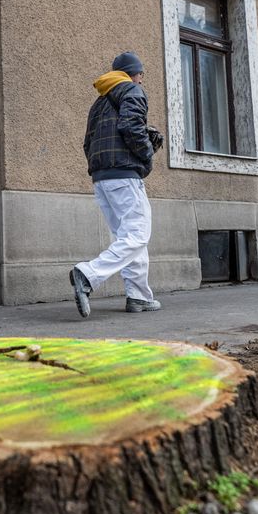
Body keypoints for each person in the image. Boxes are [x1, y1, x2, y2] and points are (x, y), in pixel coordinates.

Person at [70, 51, 164, 318]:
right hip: (124, 176)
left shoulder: (99, 102)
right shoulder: (132, 90)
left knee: (129, 237)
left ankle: (139, 297)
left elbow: (88, 142)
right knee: (137, 235)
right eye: (141, 74)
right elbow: (131, 126)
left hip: (102, 178)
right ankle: (88, 274)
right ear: (132, 73)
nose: (142, 80)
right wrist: (146, 154)